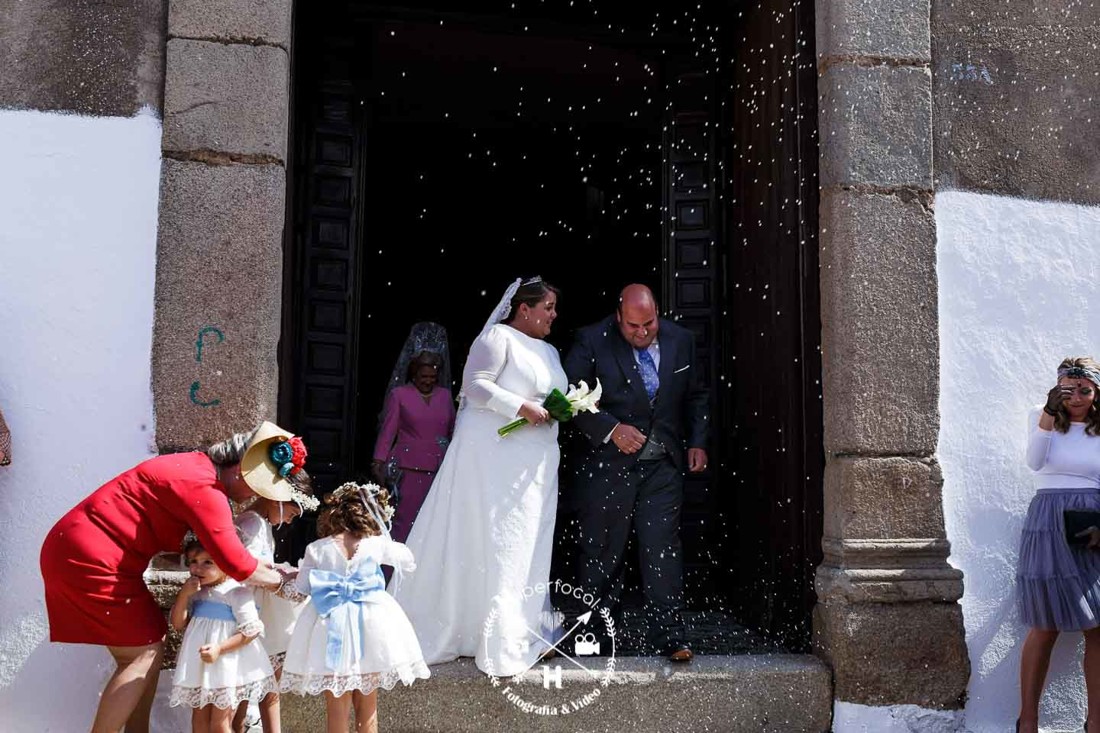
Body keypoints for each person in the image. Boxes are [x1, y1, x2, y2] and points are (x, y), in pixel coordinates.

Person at [39, 421, 308, 733]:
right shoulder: (206, 489)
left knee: (149, 642)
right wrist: (285, 584)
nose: (252, 496)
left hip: (83, 550)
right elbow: (235, 562)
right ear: (239, 469)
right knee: (141, 654)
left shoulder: (197, 468)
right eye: (256, 485)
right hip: (90, 558)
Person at [391, 277, 566, 677]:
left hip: (535, 460)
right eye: (549, 307)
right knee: (496, 539)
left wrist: (560, 408)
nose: (554, 315)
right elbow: (475, 385)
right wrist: (519, 406)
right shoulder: (497, 338)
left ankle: (521, 630)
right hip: (493, 457)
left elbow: (550, 394)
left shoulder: (551, 351)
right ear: (525, 308)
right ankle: (483, 631)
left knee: (528, 541)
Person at [563, 284, 708, 662]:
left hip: (662, 465)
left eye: (649, 324)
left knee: (662, 549)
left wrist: (698, 441)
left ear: (657, 313)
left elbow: (696, 394)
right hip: (608, 467)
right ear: (618, 316)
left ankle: (670, 635)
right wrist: (611, 429)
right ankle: (593, 636)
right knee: (602, 550)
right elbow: (567, 396)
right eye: (632, 326)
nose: (642, 333)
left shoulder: (681, 340)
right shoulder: (592, 340)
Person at [280, 481, 428, 733]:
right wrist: (383, 538)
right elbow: (408, 561)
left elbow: (301, 590)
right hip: (370, 626)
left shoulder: (316, 549)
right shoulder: (376, 544)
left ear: (333, 514)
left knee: (336, 708)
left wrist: (282, 578)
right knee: (368, 707)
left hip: (328, 624)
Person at [1016, 357, 1100, 733]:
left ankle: (1096, 722)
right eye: (1069, 389)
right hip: (1048, 522)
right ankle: (1028, 723)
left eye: (1085, 389)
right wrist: (1049, 413)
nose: (1077, 397)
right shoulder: (1042, 414)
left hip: (1092, 525)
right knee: (1044, 624)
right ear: (1057, 388)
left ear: (1096, 391)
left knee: (1098, 627)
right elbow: (1035, 462)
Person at [169, 534, 277, 733]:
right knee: (198, 722)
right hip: (201, 666)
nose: (198, 568)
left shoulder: (236, 592)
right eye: (193, 562)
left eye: (207, 562)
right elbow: (177, 624)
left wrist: (220, 648)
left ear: (226, 563)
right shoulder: (196, 592)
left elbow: (251, 630)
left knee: (220, 725)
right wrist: (184, 596)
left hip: (228, 665)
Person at [232, 486, 319, 733]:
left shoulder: (261, 523)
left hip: (261, 606)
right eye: (293, 510)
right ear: (276, 499)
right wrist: (279, 575)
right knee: (248, 680)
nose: (293, 518)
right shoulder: (251, 524)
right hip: (248, 608)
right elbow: (247, 567)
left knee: (265, 678)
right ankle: (239, 726)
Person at [371, 323, 456, 542]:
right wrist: (378, 461)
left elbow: (454, 430)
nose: (428, 381)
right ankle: (393, 573)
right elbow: (388, 431)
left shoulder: (446, 396)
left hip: (439, 470)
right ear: (413, 373)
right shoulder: (400, 395)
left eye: (432, 377)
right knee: (404, 523)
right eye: (423, 376)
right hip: (407, 469)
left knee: (434, 525)